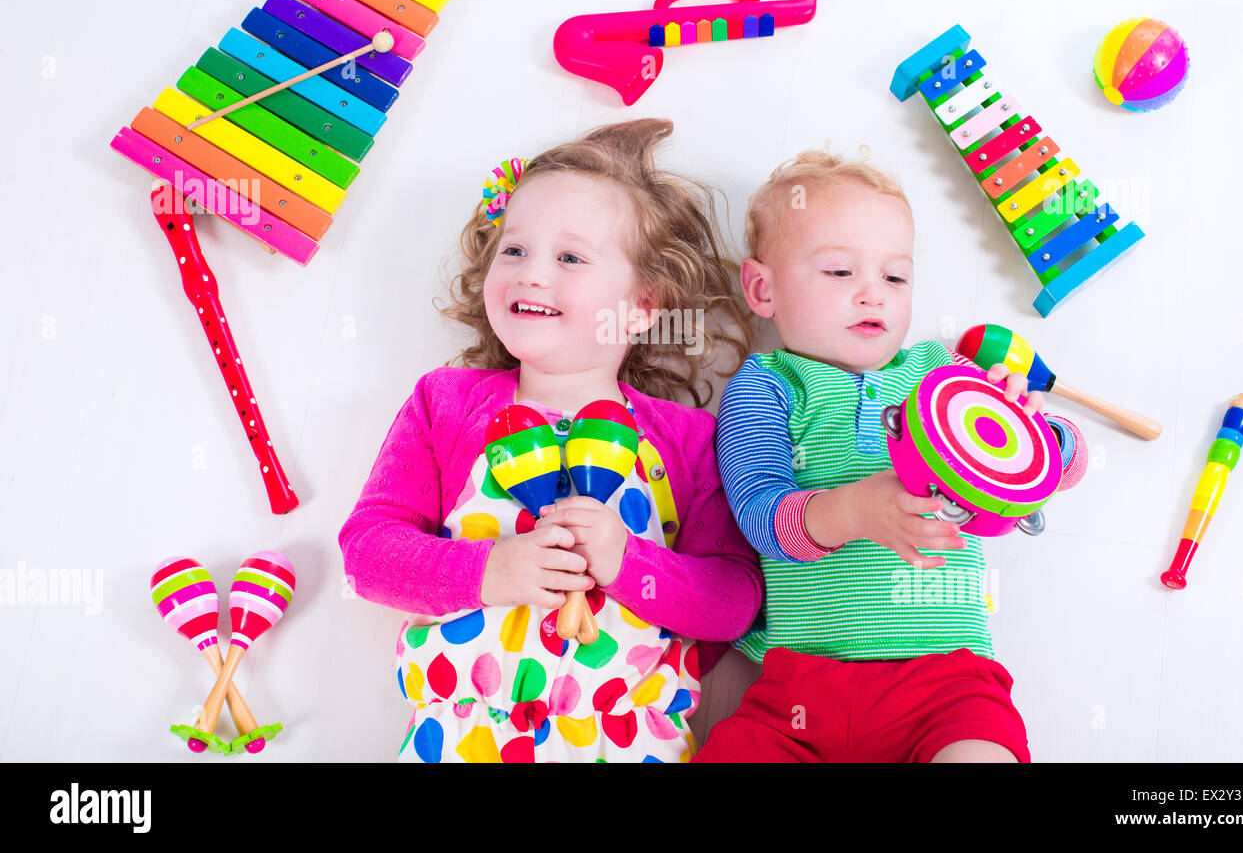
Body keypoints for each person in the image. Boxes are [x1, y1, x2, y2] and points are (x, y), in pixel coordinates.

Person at [338, 119, 762, 762]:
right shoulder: (446, 405)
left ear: (643, 304)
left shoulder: (687, 439)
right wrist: (488, 570)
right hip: (461, 736)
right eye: (514, 250)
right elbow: (368, 554)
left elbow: (733, 602)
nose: (531, 274)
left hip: (624, 738)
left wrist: (631, 566)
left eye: (569, 258)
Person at [693, 148, 1088, 763]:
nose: (872, 295)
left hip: (948, 682)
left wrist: (1042, 437)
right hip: (799, 693)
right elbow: (760, 516)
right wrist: (853, 513)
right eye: (839, 274)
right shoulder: (768, 383)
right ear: (762, 288)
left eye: (895, 278)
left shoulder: (945, 372)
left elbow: (1060, 465)